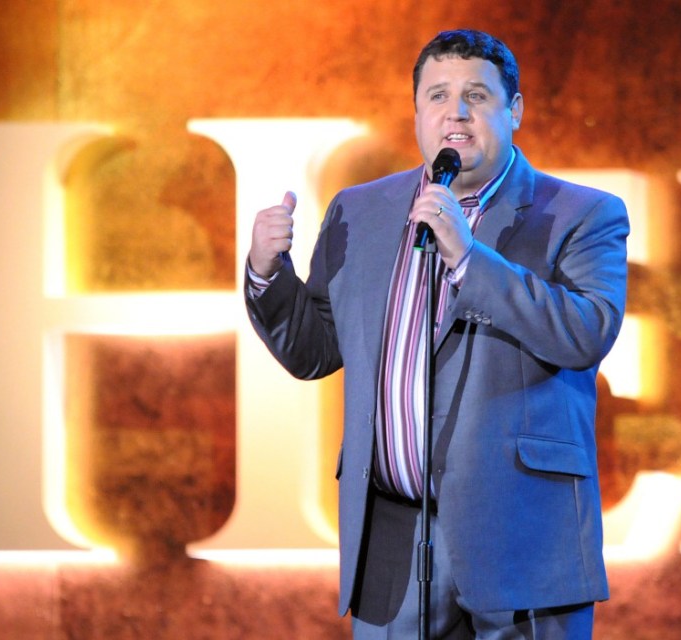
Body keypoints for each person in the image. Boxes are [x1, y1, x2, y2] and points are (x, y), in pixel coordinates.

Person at [245, 29, 629, 639]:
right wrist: (269, 275)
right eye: (438, 96)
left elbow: (585, 332)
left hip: (518, 539)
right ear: (417, 112)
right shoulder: (359, 210)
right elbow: (315, 349)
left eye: (477, 95)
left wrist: (471, 258)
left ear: (515, 111)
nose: (456, 112)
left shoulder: (580, 214)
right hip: (393, 536)